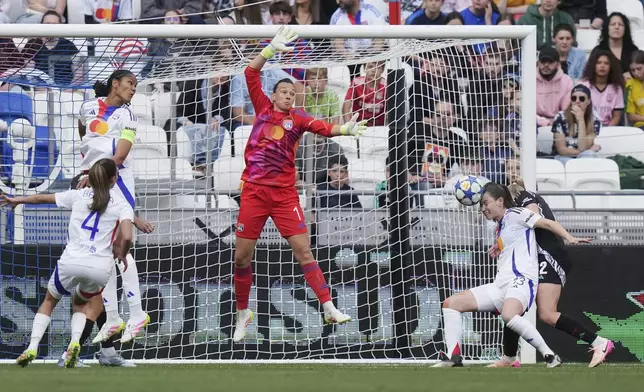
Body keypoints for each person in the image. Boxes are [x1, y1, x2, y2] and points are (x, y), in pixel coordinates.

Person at [232, 26, 367, 342]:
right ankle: (242, 313)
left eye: (293, 93)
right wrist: (269, 51)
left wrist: (346, 129)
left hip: (283, 195)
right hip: (253, 191)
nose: (289, 96)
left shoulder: (300, 119)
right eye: (284, 92)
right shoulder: (263, 109)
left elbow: (325, 127)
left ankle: (329, 307)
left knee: (304, 252)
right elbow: (250, 73)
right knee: (241, 258)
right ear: (274, 95)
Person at [433, 182, 592, 368]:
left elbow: (546, 223)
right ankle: (454, 358)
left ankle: (549, 355)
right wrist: (498, 246)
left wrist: (570, 237)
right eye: (481, 205)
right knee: (450, 304)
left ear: (500, 201)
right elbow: (514, 239)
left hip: (521, 281)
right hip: (500, 285)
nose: (483, 208)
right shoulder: (500, 225)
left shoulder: (516, 214)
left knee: (509, 315)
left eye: (486, 203)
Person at [11, 159, 134, 368]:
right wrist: (123, 253)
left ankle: (31, 347)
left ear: (91, 178)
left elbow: (41, 198)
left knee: (50, 300)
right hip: (99, 267)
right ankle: (75, 346)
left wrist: (17, 200)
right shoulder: (122, 204)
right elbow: (128, 236)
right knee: (83, 303)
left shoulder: (78, 196)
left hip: (70, 261)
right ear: (114, 179)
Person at [487, 178, 614, 369]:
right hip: (539, 258)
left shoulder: (523, 196)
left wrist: (569, 237)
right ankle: (509, 356)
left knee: (547, 313)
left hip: (549, 255)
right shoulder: (517, 206)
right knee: (513, 304)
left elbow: (537, 219)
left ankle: (599, 343)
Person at [75, 70, 154, 364]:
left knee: (119, 250)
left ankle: (135, 313)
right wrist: (89, 166)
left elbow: (119, 157)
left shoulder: (128, 116)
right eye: (130, 83)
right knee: (103, 255)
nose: (133, 89)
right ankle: (114, 319)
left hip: (116, 183)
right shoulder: (87, 107)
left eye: (136, 85)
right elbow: (83, 132)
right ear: (115, 84)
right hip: (94, 183)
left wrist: (94, 174)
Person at [551, 84, 601, 163]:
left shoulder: (594, 120)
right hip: (562, 158)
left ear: (588, 101)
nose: (577, 101)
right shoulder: (560, 117)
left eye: (582, 98)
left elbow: (583, 147)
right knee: (586, 155)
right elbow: (561, 150)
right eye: (574, 98)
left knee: (589, 154)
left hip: (583, 157)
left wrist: (580, 120)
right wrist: (585, 151)